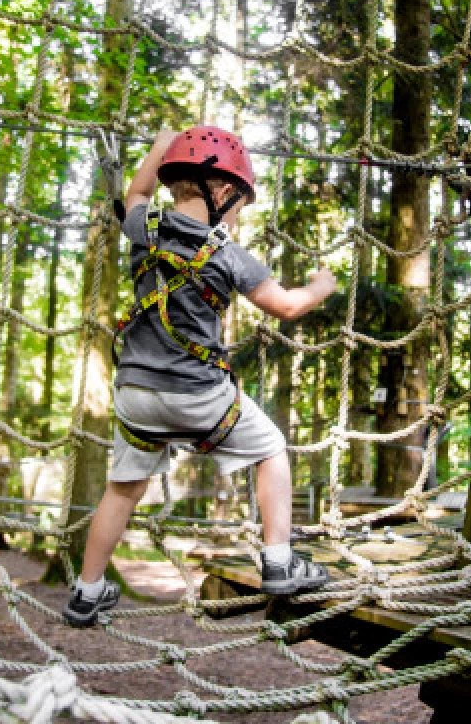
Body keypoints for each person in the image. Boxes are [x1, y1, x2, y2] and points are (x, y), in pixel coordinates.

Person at [63, 125, 337, 627]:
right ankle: (279, 562)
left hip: (135, 396)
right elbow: (288, 306)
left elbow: (137, 191)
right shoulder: (230, 255)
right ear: (222, 191)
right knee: (272, 449)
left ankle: (86, 591)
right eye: (238, 205)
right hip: (197, 398)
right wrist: (321, 285)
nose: (237, 216)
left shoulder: (143, 227)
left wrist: (159, 141)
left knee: (122, 488)